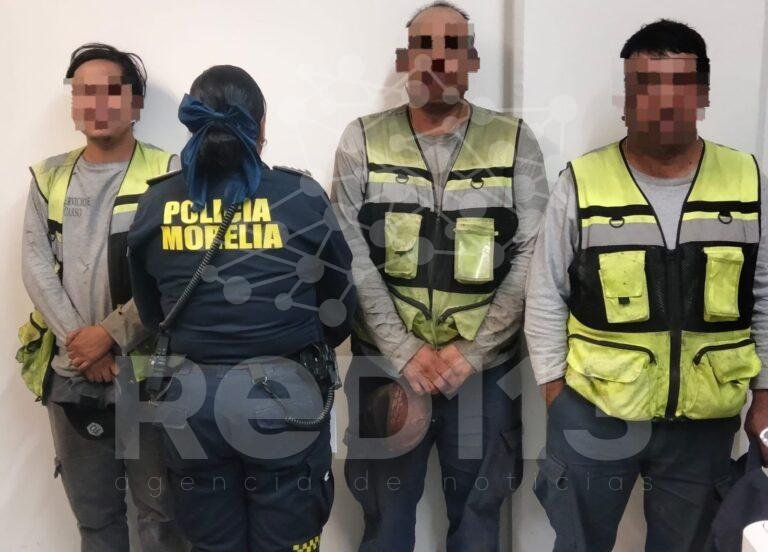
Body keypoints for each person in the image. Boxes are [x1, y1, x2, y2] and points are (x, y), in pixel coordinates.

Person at [525, 19, 768, 552]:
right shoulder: (581, 182)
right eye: (646, 84)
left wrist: (765, 393)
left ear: (703, 94)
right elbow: (545, 292)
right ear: (627, 97)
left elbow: (765, 298)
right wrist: (555, 392)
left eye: (679, 83)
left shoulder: (747, 180)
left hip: (704, 420)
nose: (662, 99)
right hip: (595, 412)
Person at [332, 2, 549, 550]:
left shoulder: (514, 140)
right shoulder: (362, 139)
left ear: (472, 60)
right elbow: (349, 250)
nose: (437, 57)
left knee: (478, 522)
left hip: (484, 372)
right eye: (423, 45)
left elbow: (532, 254)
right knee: (385, 522)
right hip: (387, 367)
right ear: (404, 59)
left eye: (453, 45)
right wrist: (404, 350)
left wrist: (470, 353)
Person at [127, 64, 356, 551]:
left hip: (188, 401)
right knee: (289, 540)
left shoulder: (156, 202)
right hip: (285, 396)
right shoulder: (301, 196)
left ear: (193, 124)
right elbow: (339, 308)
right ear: (261, 125)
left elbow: (150, 313)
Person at [19, 42, 186, 551]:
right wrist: (83, 344)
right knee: (95, 520)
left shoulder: (169, 172)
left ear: (136, 102)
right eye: (84, 91)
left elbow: (175, 273)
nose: (97, 103)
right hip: (73, 376)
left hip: (151, 376)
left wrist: (109, 337)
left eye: (112, 91)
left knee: (162, 518)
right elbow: (36, 267)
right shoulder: (48, 177)